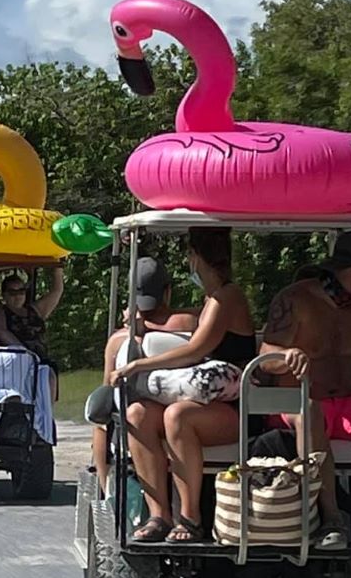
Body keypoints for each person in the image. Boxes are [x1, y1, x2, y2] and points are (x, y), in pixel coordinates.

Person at [109, 228, 255, 543]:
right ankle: (159, 514)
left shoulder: (227, 296)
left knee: (177, 415)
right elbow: (191, 320)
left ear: (195, 257)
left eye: (189, 257)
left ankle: (190, 518)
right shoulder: (210, 300)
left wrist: (137, 365)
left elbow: (197, 349)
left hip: (234, 408)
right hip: (208, 401)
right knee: (137, 414)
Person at [258, 228, 351, 549]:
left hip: (348, 402)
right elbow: (263, 359)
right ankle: (332, 519)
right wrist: (287, 355)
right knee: (309, 409)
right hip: (296, 403)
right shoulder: (295, 299)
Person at [91, 257, 196, 490]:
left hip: (144, 415)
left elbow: (109, 383)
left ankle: (104, 485)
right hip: (190, 409)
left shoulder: (120, 340)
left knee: (101, 417)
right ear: (167, 292)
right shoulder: (188, 322)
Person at [0, 268, 64, 362]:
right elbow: (1, 332)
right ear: (4, 295)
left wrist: (58, 269)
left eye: (21, 291)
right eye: (12, 293)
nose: (18, 296)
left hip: (41, 360)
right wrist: (25, 352)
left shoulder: (35, 310)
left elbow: (57, 291)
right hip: (15, 361)